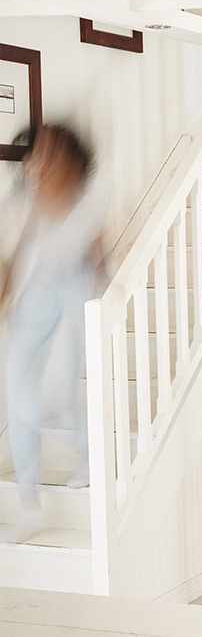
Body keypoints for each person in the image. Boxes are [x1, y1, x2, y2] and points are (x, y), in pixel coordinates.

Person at [1, 124, 105, 523]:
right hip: (30, 309)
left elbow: (101, 265)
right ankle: (29, 504)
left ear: (71, 162)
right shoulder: (24, 203)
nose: (36, 160)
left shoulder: (87, 210)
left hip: (72, 307)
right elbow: (11, 256)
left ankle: (96, 458)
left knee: (53, 399)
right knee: (19, 401)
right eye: (36, 153)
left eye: (48, 152)